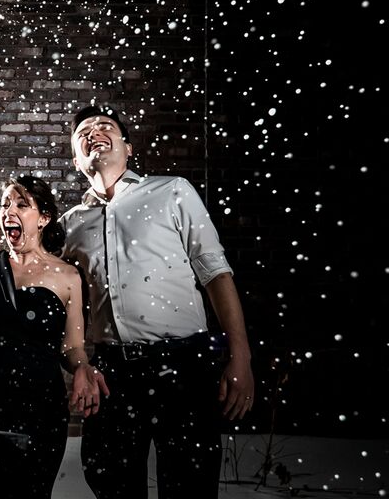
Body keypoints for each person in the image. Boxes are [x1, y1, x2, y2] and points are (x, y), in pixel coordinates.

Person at [61, 105, 255, 499]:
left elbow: (216, 274)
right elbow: (54, 295)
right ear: (76, 159)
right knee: (111, 482)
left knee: (190, 487)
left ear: (128, 148)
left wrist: (241, 357)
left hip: (184, 365)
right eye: (83, 132)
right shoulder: (70, 224)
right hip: (112, 372)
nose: (94, 132)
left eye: (105, 126)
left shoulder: (172, 192)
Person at [0, 175, 109, 499]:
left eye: (21, 204)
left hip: (40, 408)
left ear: (44, 218)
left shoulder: (67, 276)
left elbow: (73, 346)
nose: (9, 211)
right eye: (5, 204)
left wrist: (82, 367)